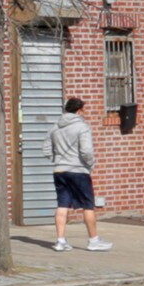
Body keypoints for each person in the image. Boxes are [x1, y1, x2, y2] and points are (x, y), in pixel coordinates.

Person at [48, 97, 110, 252]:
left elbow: (46, 148)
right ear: (79, 110)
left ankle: (60, 241)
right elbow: (86, 151)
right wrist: (90, 164)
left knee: (62, 205)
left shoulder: (55, 127)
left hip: (60, 170)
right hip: (78, 170)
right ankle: (93, 240)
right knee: (88, 205)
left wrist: (57, 160)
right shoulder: (82, 127)